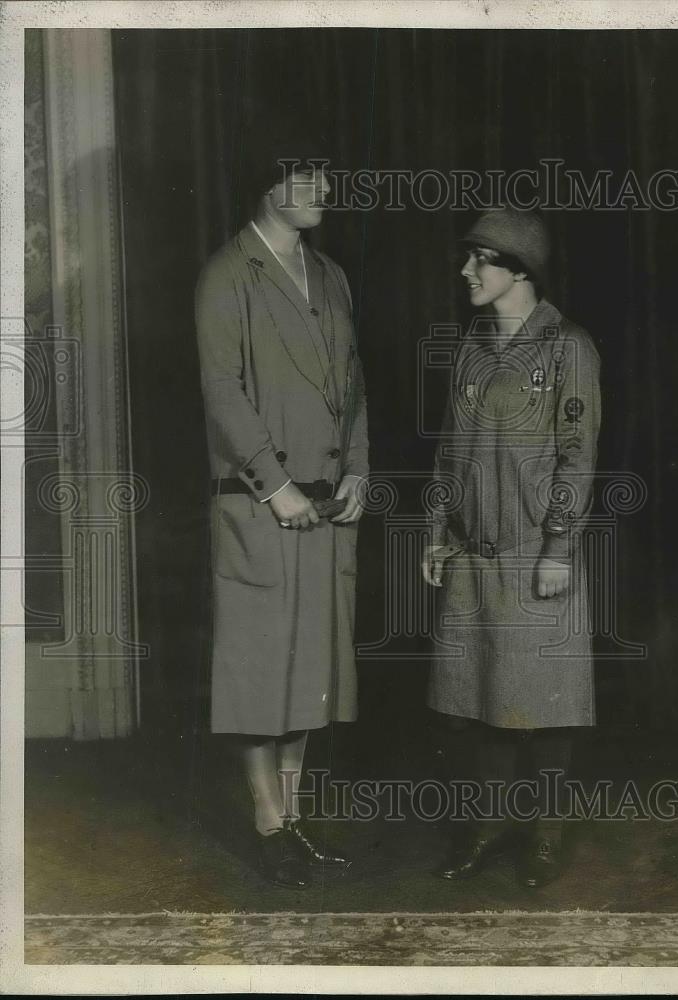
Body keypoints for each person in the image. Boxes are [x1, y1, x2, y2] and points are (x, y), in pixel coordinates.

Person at [195, 118, 368, 889]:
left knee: (308, 675)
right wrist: (277, 484)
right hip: (263, 506)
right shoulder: (227, 275)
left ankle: (293, 822)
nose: (323, 189)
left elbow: (354, 385)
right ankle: (268, 822)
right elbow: (222, 394)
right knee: (261, 675)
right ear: (267, 183)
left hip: (328, 505)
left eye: (325, 175)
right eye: (307, 176)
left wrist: (359, 467)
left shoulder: (331, 276)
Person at [423, 206, 600, 888]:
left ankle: (546, 838)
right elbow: (448, 448)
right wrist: (436, 531)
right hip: (472, 556)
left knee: (546, 703)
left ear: (518, 269)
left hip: (535, 555)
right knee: (477, 701)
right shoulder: (472, 344)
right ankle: (490, 826)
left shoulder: (568, 346)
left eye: (482, 259)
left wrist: (558, 548)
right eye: (469, 257)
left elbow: (577, 459)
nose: (466, 270)